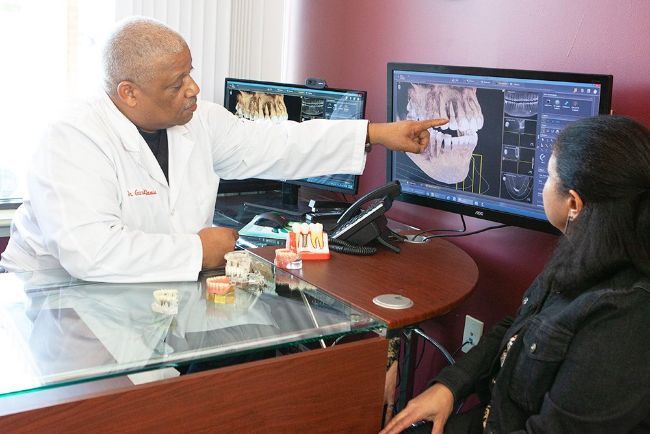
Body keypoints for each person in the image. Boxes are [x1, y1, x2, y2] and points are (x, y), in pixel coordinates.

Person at [0, 17, 446, 283]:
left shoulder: (198, 121)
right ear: (129, 93)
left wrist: (378, 133)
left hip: (139, 293)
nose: (194, 88)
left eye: (190, 73)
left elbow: (279, 143)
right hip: (53, 304)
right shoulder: (71, 139)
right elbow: (90, 252)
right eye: (177, 84)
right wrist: (199, 250)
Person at [381, 115, 650, 433]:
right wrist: (451, 386)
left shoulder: (624, 321)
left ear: (574, 203)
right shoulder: (587, 253)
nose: (543, 184)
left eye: (549, 176)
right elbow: (518, 326)